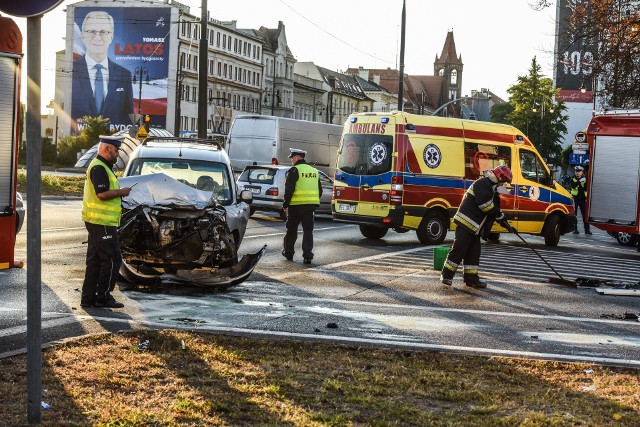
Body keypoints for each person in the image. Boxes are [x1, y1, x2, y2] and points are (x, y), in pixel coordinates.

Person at [80, 135, 132, 308]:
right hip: (101, 222)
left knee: (95, 260)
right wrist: (122, 192)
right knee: (111, 259)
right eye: (116, 150)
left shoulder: (101, 166)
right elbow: (101, 194)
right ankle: (103, 297)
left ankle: (88, 298)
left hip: (98, 221)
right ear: (108, 148)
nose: (117, 154)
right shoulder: (99, 167)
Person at [440, 165, 513, 289]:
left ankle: (471, 279)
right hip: (465, 224)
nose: (503, 185)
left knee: (473, 254)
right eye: (504, 182)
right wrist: (497, 213)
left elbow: (496, 210)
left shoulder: (492, 188)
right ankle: (446, 276)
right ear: (500, 177)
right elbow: (485, 206)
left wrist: (506, 223)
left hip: (474, 228)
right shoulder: (483, 183)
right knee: (459, 250)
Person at [71, 11, 134, 130]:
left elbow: (128, 116)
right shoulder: (70, 71)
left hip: (113, 143)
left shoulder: (124, 75)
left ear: (111, 37)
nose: (97, 38)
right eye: (91, 32)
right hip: (80, 141)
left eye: (103, 32)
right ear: (83, 35)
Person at [281, 148, 322, 264]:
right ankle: (307, 256)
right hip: (309, 207)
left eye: (292, 158)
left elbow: (289, 190)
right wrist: (313, 201)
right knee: (308, 232)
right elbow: (320, 190)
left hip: (295, 206)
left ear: (298, 158)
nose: (291, 160)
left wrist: (285, 204)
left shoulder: (294, 170)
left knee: (291, 231)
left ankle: (289, 253)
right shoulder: (314, 171)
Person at [570, 165, 591, 234]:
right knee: (574, 215)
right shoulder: (573, 178)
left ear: (582, 172)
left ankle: (587, 230)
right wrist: (579, 182)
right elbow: (573, 185)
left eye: (579, 171)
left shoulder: (585, 179)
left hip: (582, 199)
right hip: (575, 198)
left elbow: (587, 188)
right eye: (576, 171)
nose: (577, 173)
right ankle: (574, 229)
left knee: (585, 214)